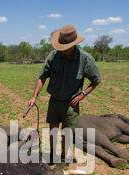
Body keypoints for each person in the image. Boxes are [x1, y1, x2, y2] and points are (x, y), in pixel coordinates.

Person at [27, 24, 101, 165]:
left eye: (65, 47)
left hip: (71, 102)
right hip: (55, 100)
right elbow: (42, 76)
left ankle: (63, 156)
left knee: (67, 132)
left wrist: (82, 94)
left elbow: (96, 80)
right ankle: (53, 155)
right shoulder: (54, 56)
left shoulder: (85, 59)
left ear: (73, 44)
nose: (62, 50)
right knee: (53, 129)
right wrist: (34, 97)